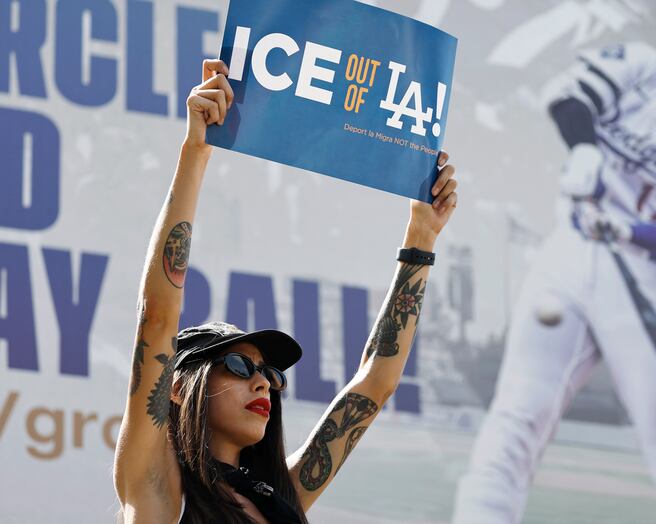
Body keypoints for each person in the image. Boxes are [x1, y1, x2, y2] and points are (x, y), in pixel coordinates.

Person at [113, 59, 458, 523]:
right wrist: (196, 150)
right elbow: (157, 316)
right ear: (177, 386)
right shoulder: (160, 488)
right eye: (238, 365)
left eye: (271, 376)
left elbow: (374, 387)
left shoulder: (282, 499)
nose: (263, 383)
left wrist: (422, 237)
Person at [452, 28, 656, 523]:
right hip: (571, 254)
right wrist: (585, 149)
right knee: (514, 420)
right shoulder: (642, 68)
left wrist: (625, 229)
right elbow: (569, 96)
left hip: (648, 283)